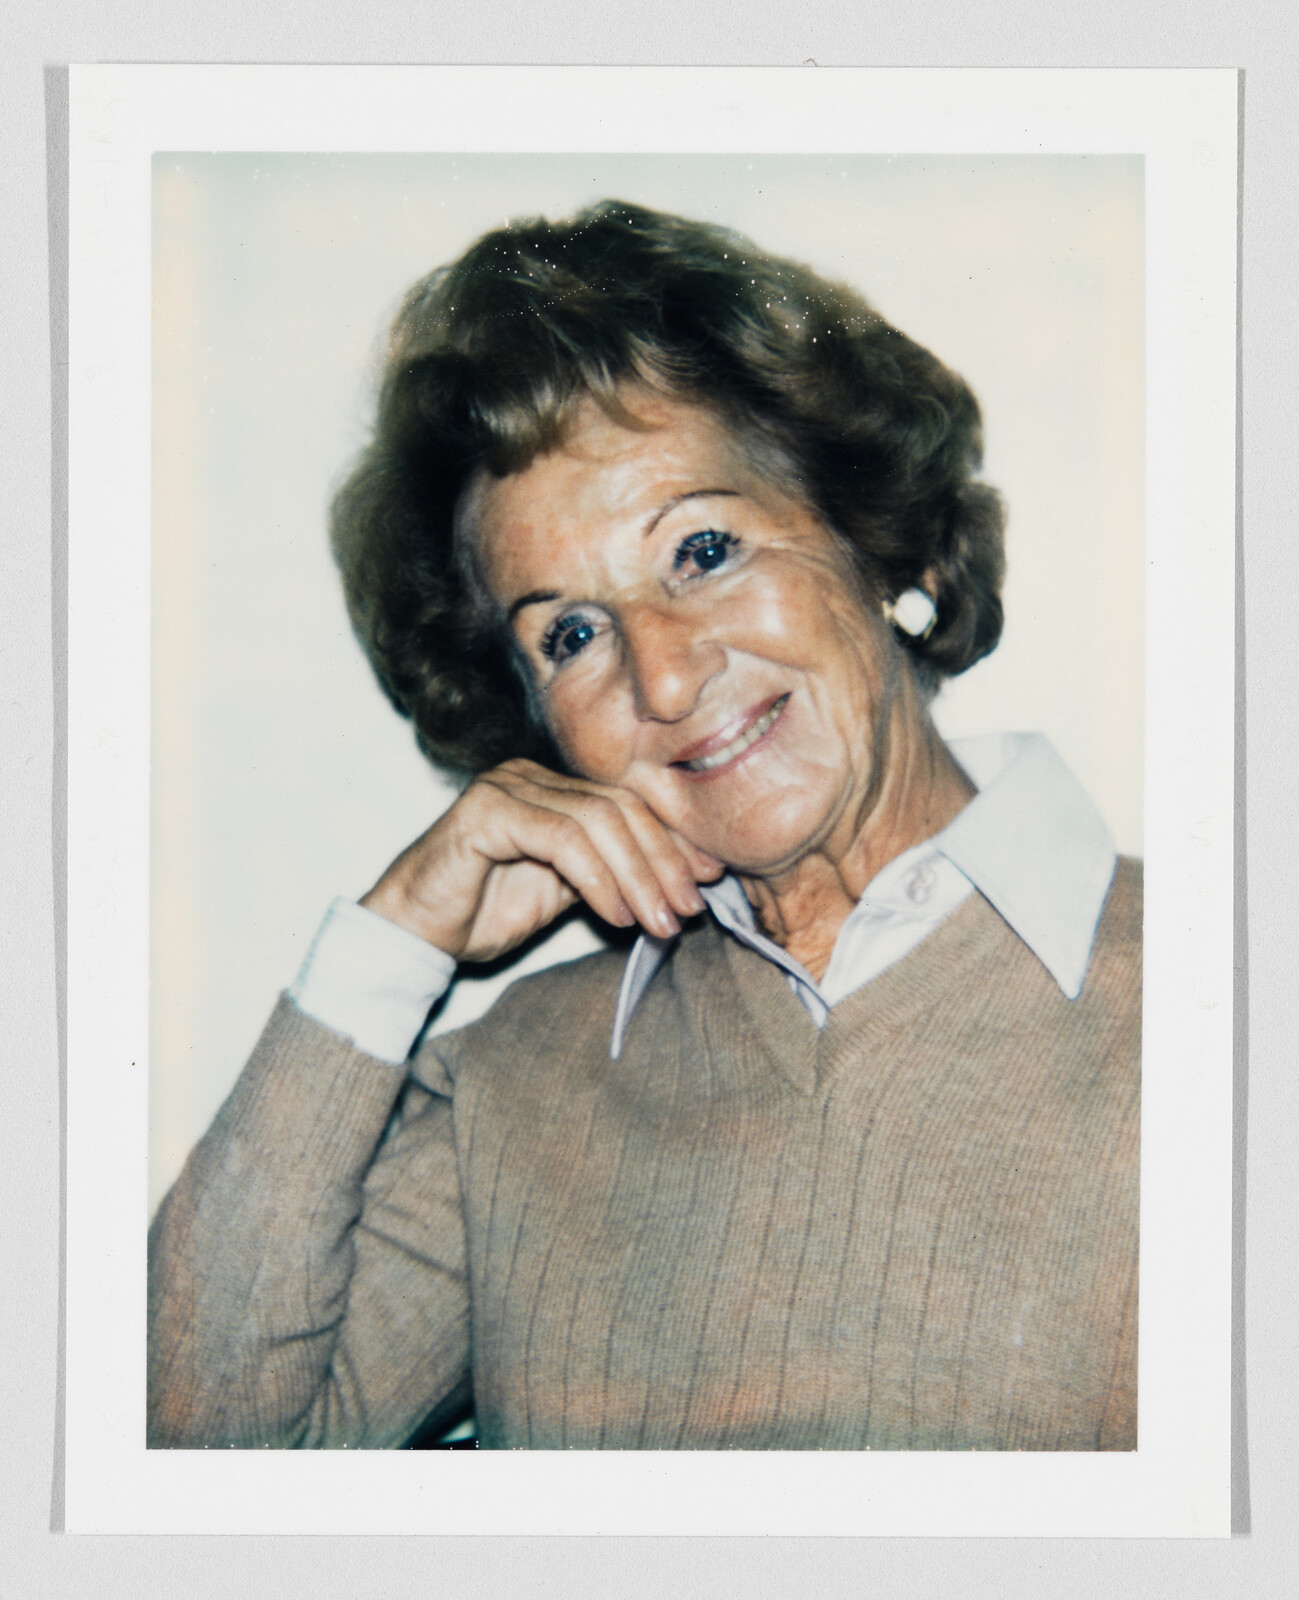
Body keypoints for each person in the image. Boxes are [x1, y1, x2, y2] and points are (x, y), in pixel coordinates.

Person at [147, 200, 1140, 1452]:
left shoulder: (1221, 1002)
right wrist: (393, 940)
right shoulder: (513, 1081)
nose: (663, 680)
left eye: (703, 549)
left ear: (875, 540)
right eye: (568, 634)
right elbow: (178, 1466)